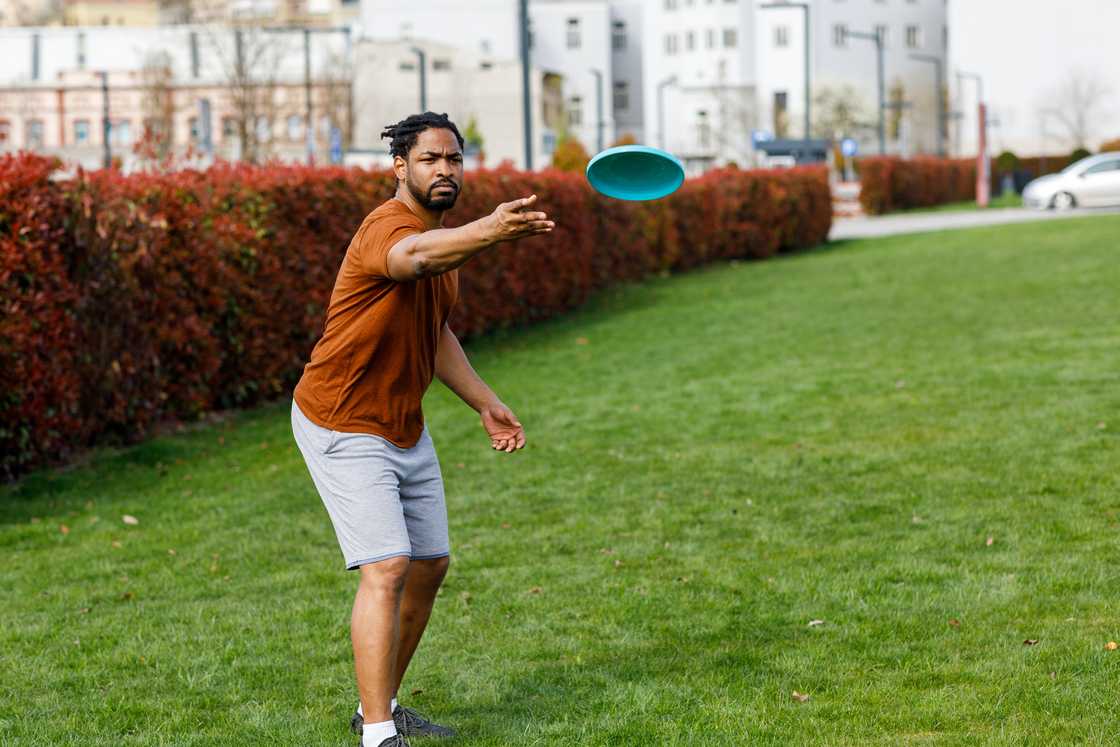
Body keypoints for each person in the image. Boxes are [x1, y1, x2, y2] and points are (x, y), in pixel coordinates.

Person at [290, 111, 555, 747]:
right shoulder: (391, 227)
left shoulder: (446, 245)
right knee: (387, 566)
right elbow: (409, 260)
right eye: (431, 159)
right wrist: (490, 228)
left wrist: (484, 401)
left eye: (454, 160)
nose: (445, 170)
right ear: (400, 167)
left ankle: (375, 705)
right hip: (342, 420)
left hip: (403, 425)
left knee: (430, 565)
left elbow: (433, 331)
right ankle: (378, 735)